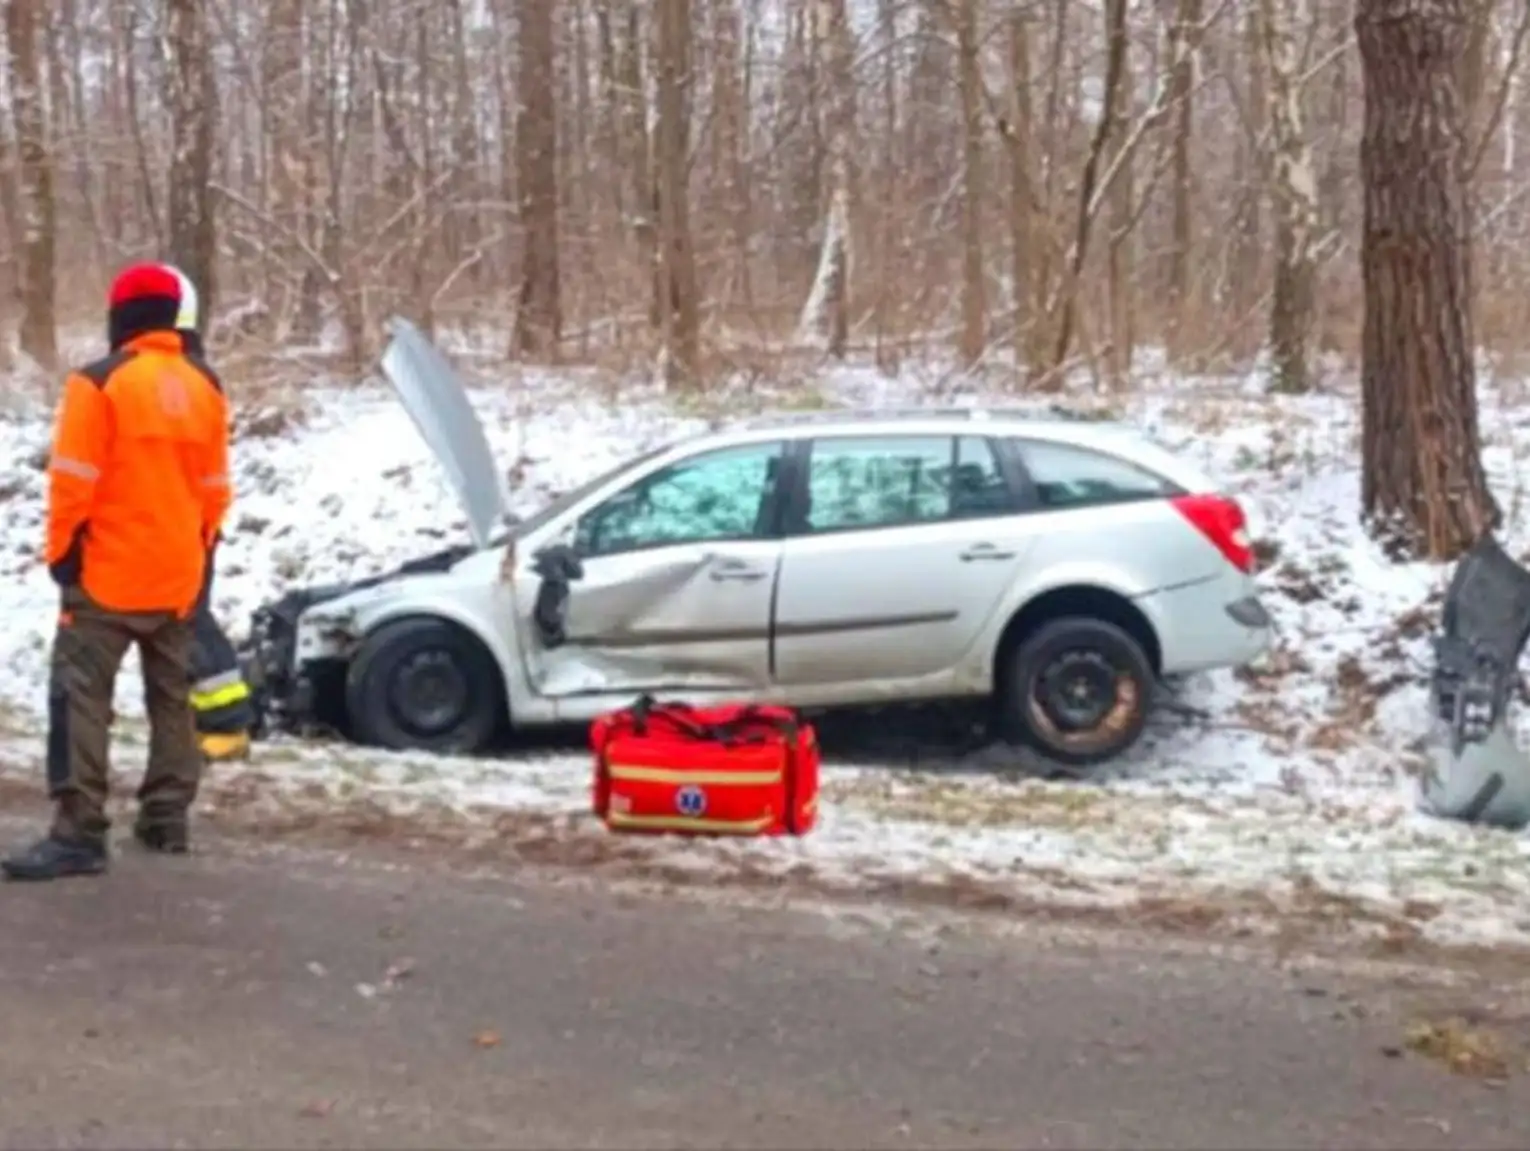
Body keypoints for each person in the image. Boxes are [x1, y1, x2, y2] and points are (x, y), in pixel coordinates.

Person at [2, 262, 232, 882]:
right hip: (179, 573)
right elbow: (215, 491)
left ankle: (78, 831)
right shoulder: (205, 386)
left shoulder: (99, 384)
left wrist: (62, 557)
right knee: (171, 698)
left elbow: (72, 482)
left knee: (81, 697)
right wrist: (201, 553)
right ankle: (166, 816)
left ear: (122, 317)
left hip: (107, 574)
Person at [176, 321, 256, 762]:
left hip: (185, 526)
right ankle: (218, 723)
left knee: (190, 619)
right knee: (190, 618)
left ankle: (227, 727)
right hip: (193, 523)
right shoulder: (200, 384)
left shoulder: (187, 388)